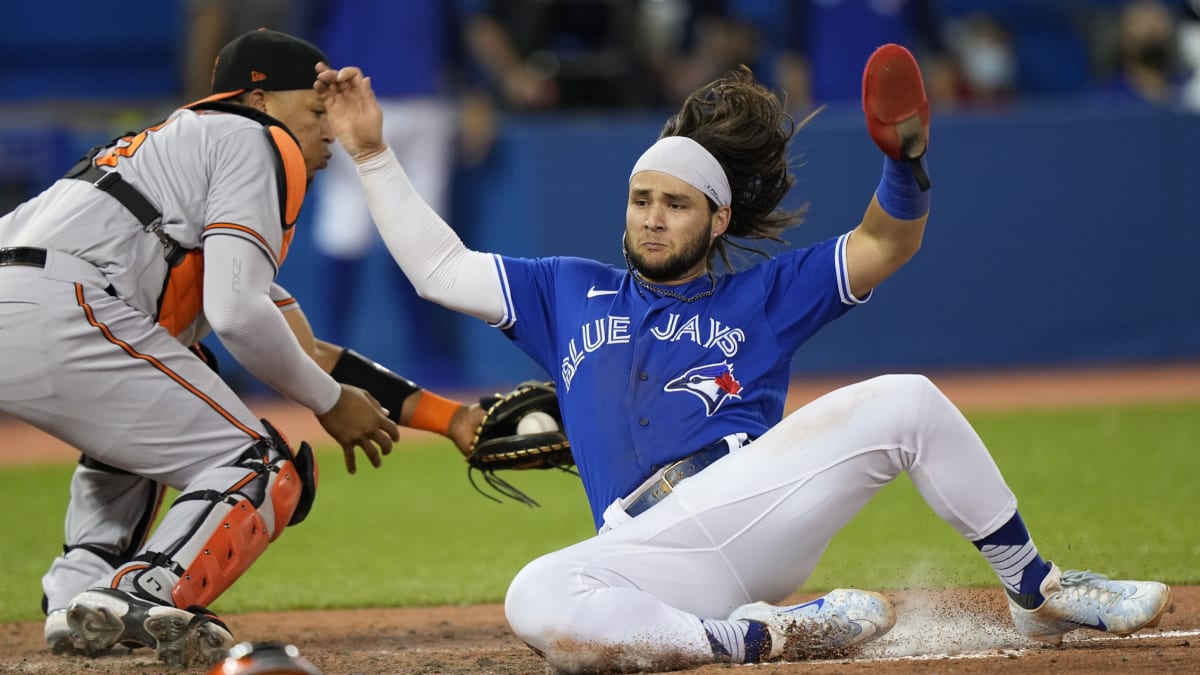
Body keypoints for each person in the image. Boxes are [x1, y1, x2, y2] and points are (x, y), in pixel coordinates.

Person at [315, 47, 1173, 671]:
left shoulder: (762, 295)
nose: (653, 217)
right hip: (645, 547)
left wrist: (904, 161)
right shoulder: (567, 291)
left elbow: (885, 243)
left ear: (717, 219)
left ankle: (1036, 589)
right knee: (534, 595)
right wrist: (370, 152)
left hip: (752, 504)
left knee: (907, 399)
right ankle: (763, 633)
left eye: (675, 204)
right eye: (641, 200)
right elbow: (438, 269)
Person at [0, 28, 451, 668]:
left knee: (167, 400)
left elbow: (292, 340)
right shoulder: (254, 136)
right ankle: (146, 590)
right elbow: (237, 314)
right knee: (258, 461)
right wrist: (327, 403)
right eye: (316, 110)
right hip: (63, 304)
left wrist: (451, 419)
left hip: (34, 295)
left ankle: (80, 594)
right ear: (260, 101)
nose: (329, 130)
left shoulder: (174, 154)